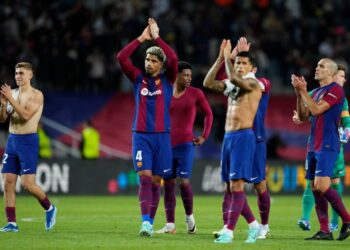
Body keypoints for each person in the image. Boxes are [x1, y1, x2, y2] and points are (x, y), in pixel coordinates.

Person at [116, 18, 178, 237]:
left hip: (162, 137)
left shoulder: (169, 80)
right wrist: (142, 38)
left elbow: (173, 58)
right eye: (147, 59)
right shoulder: (137, 78)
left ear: (160, 64)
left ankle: (150, 222)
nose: (149, 63)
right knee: (144, 177)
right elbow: (121, 57)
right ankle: (145, 223)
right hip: (141, 136)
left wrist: (158, 37)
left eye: (153, 60)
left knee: (155, 181)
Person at [210, 37, 272, 240]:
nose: (240, 65)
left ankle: (260, 226)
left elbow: (238, 79)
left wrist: (231, 56)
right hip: (231, 136)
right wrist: (223, 58)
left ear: (253, 67)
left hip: (253, 137)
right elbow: (212, 82)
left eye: (244, 63)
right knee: (230, 186)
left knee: (257, 184)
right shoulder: (235, 84)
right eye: (238, 62)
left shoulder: (259, 83)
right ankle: (249, 224)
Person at [292, 58, 350, 241]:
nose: (317, 68)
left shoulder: (336, 90)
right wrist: (298, 92)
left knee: (323, 185)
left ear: (331, 73)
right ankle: (325, 230)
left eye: (321, 66)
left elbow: (317, 110)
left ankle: (347, 220)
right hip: (313, 145)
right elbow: (302, 115)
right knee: (314, 186)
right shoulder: (314, 92)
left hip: (328, 144)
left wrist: (303, 92)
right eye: (316, 65)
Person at [155, 61, 213, 234]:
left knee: (184, 183)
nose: (189, 78)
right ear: (177, 75)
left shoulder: (196, 93)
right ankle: (170, 224)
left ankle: (189, 218)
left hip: (186, 145)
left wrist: (204, 136)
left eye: (190, 75)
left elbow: (209, 114)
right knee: (168, 184)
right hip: (166, 146)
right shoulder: (165, 93)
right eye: (185, 75)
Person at [0, 62, 57, 232]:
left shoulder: (37, 95)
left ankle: (49, 208)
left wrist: (9, 98)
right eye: (16, 73)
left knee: (28, 185)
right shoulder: (14, 93)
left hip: (28, 141)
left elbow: (25, 116)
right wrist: (3, 104)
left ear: (30, 75)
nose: (18, 76)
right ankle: (12, 223)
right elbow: (3, 119)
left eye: (21, 73)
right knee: (8, 183)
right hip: (12, 140)